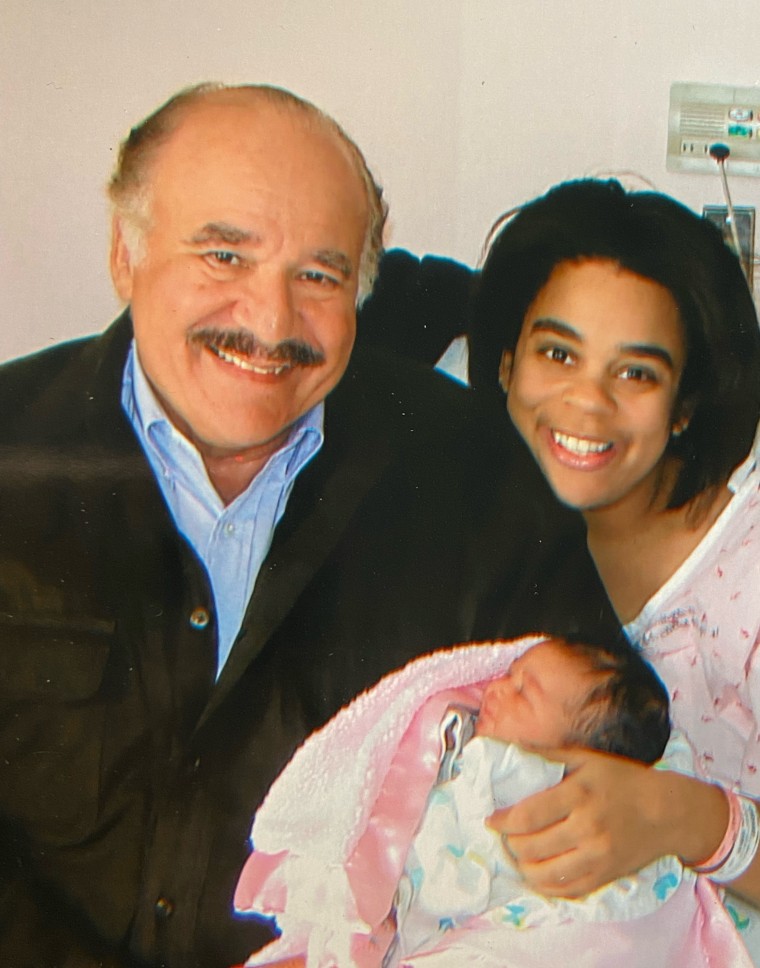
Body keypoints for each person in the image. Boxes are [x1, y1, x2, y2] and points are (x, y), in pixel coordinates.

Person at [0, 88, 622, 968]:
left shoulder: (474, 476)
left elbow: (603, 752)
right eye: (224, 255)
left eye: (319, 276)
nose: (270, 320)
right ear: (124, 255)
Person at [465, 179, 760, 956]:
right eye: (558, 354)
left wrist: (680, 818)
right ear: (505, 364)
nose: (586, 404)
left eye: (636, 373)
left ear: (686, 405)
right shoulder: (485, 533)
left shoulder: (747, 577)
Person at [234, 636, 750, 967]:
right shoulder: (471, 741)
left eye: (524, 692)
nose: (496, 690)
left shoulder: (515, 773)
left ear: (574, 753)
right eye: (507, 675)